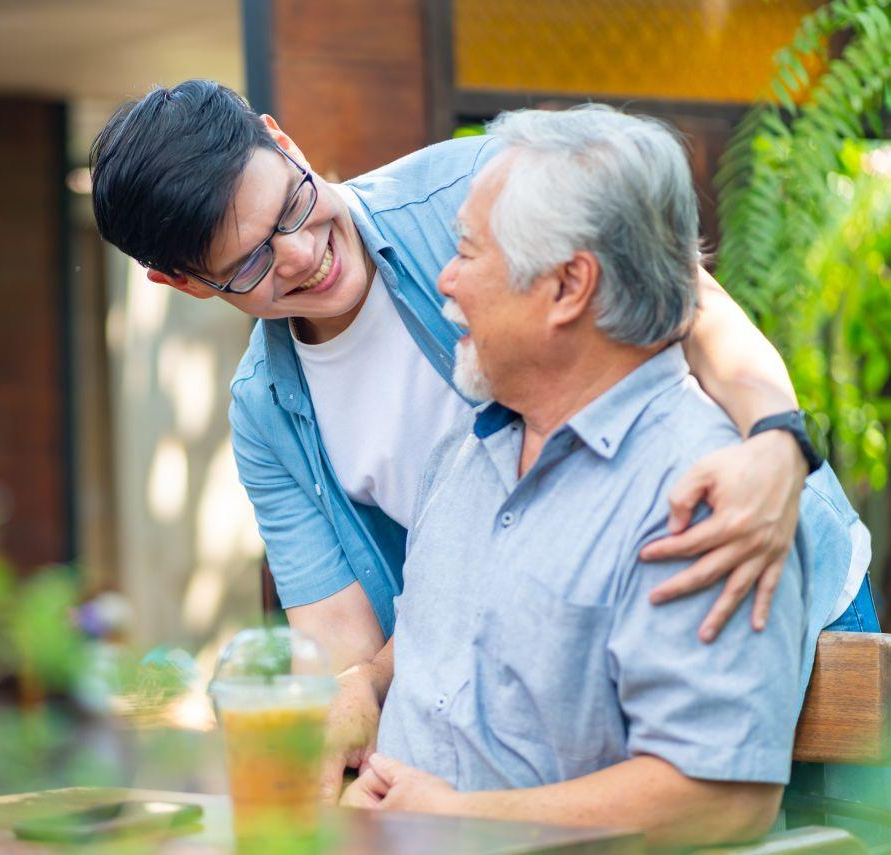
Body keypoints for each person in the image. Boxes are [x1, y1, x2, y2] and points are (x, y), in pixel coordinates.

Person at [88, 78, 875, 726]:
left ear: (282, 140)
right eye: (251, 260)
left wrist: (776, 445)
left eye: (293, 203)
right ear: (184, 282)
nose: (301, 254)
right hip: (587, 682)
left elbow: (695, 311)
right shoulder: (268, 415)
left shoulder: (484, 190)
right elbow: (349, 658)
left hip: (758, 562)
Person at [338, 105, 810, 848]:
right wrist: (363, 682)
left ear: (567, 287)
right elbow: (462, 628)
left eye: (467, 253)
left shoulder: (698, 490)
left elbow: (722, 794)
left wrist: (455, 821)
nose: (445, 279)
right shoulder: (467, 449)